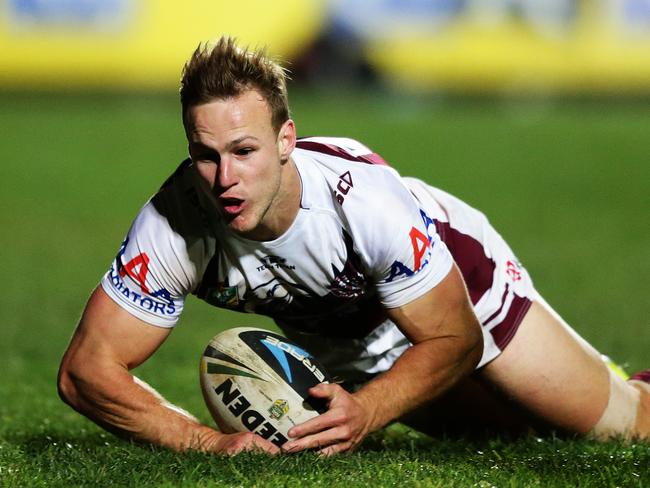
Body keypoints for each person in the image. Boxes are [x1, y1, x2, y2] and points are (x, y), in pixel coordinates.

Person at [58, 37, 649, 456]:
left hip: (456, 290)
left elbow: (456, 339)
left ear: (286, 139)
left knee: (625, 428)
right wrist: (209, 443)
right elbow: (86, 373)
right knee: (516, 439)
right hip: (350, 348)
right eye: (205, 155)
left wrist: (367, 410)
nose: (223, 177)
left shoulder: (358, 201)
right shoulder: (173, 222)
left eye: (244, 151)